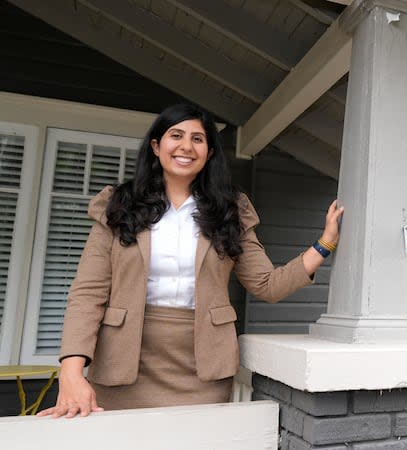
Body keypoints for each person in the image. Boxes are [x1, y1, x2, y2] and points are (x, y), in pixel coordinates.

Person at [38, 103, 343, 418]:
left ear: (209, 152)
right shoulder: (119, 205)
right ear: (157, 146)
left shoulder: (230, 210)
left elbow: (267, 285)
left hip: (201, 370)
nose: (186, 146)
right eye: (176, 135)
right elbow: (88, 293)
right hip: (121, 366)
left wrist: (324, 244)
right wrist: (72, 371)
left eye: (198, 139)